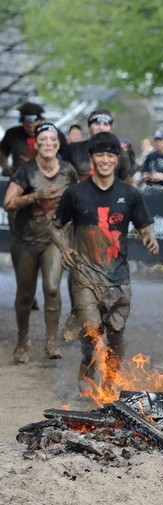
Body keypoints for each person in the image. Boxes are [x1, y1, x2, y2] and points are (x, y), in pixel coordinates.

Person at [50, 132, 159, 392]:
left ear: (117, 159)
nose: (106, 160)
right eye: (100, 154)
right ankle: (90, 380)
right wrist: (65, 247)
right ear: (92, 158)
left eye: (110, 155)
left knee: (116, 334)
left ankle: (110, 379)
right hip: (85, 276)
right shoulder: (75, 193)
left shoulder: (130, 194)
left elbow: (146, 226)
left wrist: (149, 238)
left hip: (118, 278)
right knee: (93, 332)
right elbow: (55, 227)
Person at [3, 123, 78, 363]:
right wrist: (36, 196)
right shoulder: (26, 171)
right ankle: (23, 341)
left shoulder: (68, 171)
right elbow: (8, 203)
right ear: (37, 144)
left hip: (54, 240)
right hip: (25, 240)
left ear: (58, 145)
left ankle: (51, 343)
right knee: (26, 295)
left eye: (52, 140)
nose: (48, 144)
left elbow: (78, 200)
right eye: (43, 140)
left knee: (52, 288)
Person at [61, 109, 133, 184]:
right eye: (97, 123)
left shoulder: (119, 152)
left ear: (110, 129)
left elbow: (125, 179)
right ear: (89, 127)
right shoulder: (73, 150)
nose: (101, 128)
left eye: (105, 124)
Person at [1, 102, 67, 177]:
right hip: (20, 176)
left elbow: (66, 154)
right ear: (21, 123)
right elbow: (3, 152)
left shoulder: (54, 134)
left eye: (35, 126)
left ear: (41, 121)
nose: (32, 130)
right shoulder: (12, 134)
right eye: (27, 127)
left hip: (49, 176)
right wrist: (5, 167)